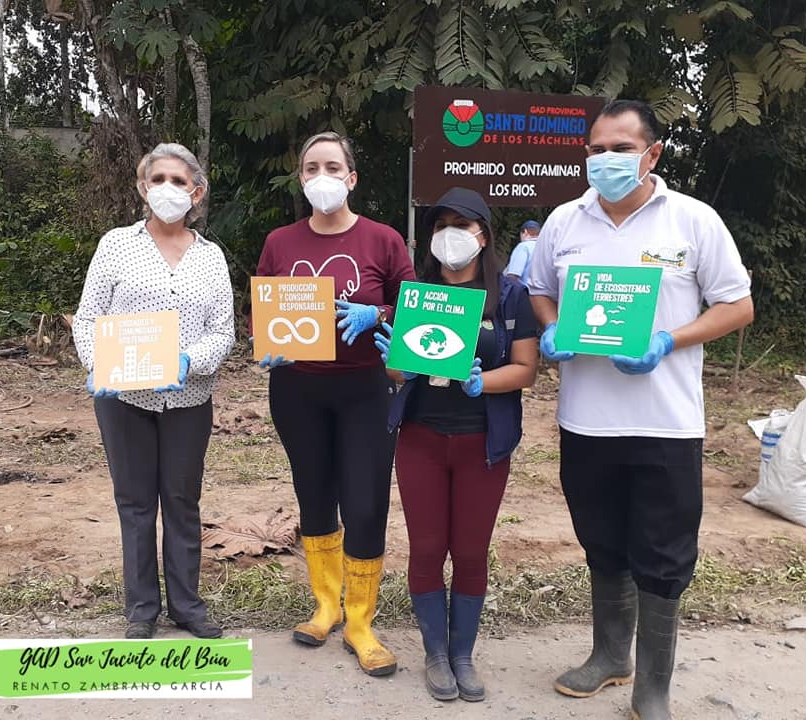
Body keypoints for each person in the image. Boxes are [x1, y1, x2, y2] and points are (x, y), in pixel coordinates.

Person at [525, 100, 754, 720]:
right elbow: (540, 290)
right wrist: (551, 327)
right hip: (585, 419)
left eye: (620, 149)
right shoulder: (565, 221)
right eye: (596, 149)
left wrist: (667, 341)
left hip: (666, 422)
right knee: (601, 540)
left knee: (664, 553)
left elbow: (737, 306)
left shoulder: (692, 220)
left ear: (652, 154)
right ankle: (610, 655)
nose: (605, 160)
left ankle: (653, 687)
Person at [254, 131, 415, 676]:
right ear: (300, 178)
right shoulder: (280, 242)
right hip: (297, 391)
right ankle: (326, 606)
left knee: (365, 504)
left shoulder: (383, 240)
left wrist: (382, 314)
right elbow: (263, 309)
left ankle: (361, 623)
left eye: (331, 166)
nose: (320, 176)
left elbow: (415, 305)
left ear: (351, 178)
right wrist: (266, 342)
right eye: (310, 168)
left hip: (366, 389)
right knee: (314, 496)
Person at [375, 187, 539, 702]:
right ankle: (436, 654)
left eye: (462, 224)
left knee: (470, 551)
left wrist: (481, 382)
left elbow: (526, 369)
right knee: (427, 548)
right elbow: (397, 370)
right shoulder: (417, 294)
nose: (450, 234)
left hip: (482, 444)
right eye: (441, 224)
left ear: (483, 235)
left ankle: (463, 654)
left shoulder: (510, 296)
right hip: (421, 440)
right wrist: (397, 365)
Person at [73, 142, 235, 640]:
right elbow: (87, 317)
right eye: (158, 179)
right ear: (143, 188)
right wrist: (97, 364)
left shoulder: (211, 257)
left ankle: (187, 605)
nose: (168, 188)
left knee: (182, 501)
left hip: (188, 398)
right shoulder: (116, 245)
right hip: (124, 399)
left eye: (178, 181)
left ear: (196, 193)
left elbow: (223, 331)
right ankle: (142, 608)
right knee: (136, 502)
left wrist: (190, 361)